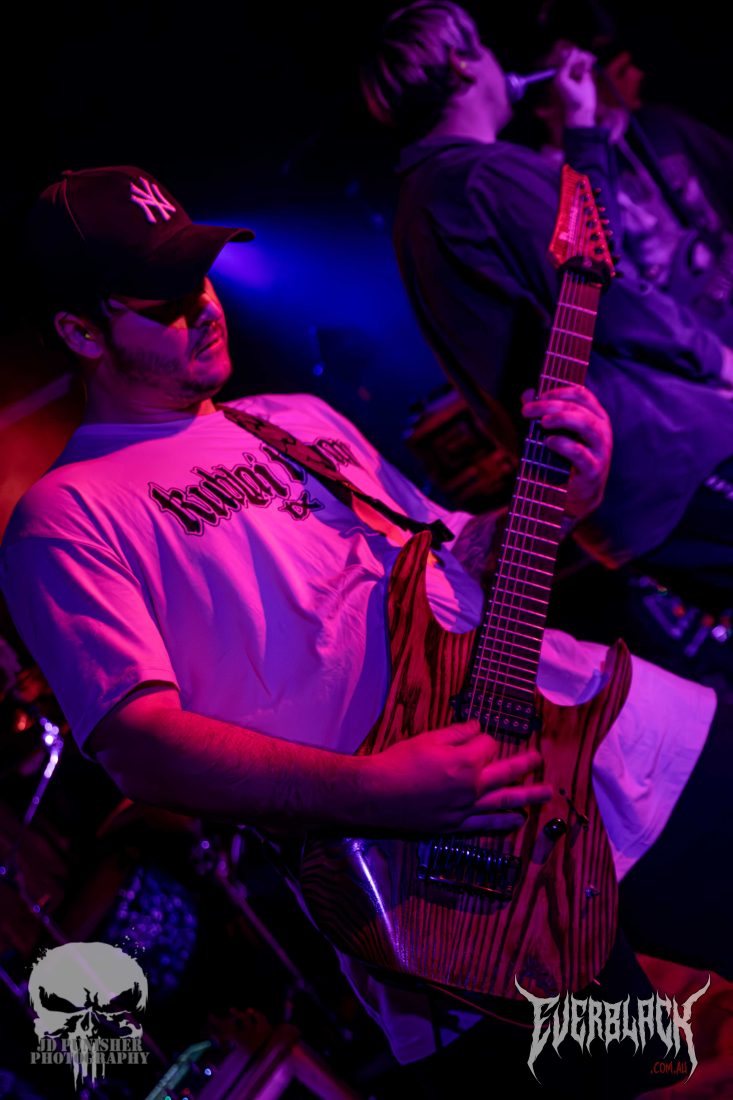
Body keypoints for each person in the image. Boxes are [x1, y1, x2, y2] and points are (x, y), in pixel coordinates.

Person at [0, 164, 726, 1097]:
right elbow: (140, 745)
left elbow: (456, 563)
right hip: (456, 887)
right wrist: (377, 791)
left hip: (614, 738)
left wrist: (563, 498)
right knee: (632, 1078)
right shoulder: (65, 515)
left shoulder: (290, 420)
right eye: (164, 301)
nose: (204, 307)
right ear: (79, 332)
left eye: (200, 278)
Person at [361, 1, 733, 614]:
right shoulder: (481, 176)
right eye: (482, 46)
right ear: (463, 63)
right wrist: (715, 359)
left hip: (618, 497)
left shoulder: (419, 207)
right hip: (667, 454)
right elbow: (602, 274)